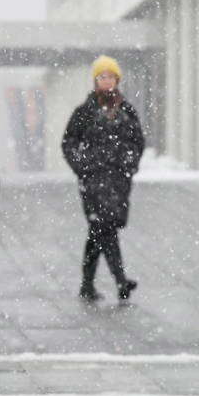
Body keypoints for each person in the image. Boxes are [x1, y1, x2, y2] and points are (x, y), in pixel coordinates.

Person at [62, 55, 144, 302]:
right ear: (96, 81)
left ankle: (87, 284)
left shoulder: (127, 110)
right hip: (94, 180)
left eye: (110, 76)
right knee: (104, 227)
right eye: (102, 77)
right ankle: (120, 281)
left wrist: (130, 164)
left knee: (100, 230)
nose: (106, 81)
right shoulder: (85, 111)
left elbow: (137, 141)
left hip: (118, 180)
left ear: (117, 80)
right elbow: (68, 142)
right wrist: (82, 167)